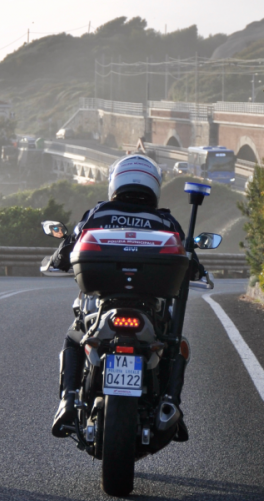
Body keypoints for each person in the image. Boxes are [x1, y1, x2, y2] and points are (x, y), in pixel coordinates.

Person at [49, 154, 203, 439]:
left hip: (103, 305)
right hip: (150, 309)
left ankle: (68, 400)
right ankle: (169, 404)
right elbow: (188, 261)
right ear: (153, 186)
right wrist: (197, 271)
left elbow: (68, 250)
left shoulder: (98, 213)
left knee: (73, 337)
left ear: (115, 183)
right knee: (176, 344)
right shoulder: (165, 220)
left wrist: (58, 259)